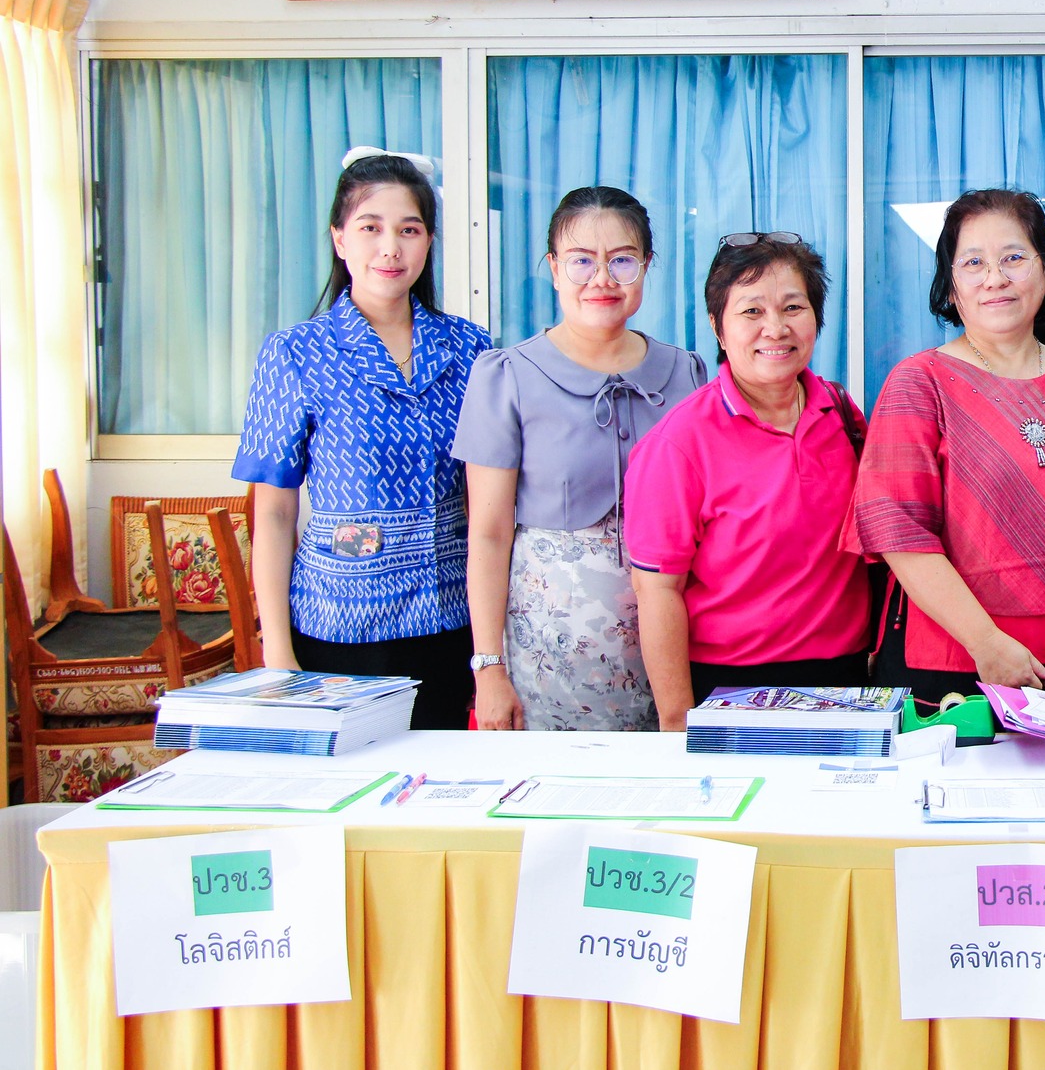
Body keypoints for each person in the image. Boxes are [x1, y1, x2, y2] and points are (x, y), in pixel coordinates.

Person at [845, 189, 1045, 708]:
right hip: (950, 667)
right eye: (973, 263)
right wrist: (986, 643)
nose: (995, 278)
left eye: (1013, 258)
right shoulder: (919, 383)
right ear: (951, 288)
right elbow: (899, 533)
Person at [233, 151, 492, 729]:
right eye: (371, 228)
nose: (390, 248)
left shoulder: (471, 349)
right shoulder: (294, 353)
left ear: (429, 242)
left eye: (409, 230)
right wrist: (277, 650)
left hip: (451, 621)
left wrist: (491, 647)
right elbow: (273, 513)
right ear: (339, 239)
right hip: (338, 626)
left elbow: (489, 503)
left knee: (439, 779)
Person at [454, 187, 707, 731]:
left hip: (676, 645)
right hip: (552, 653)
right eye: (581, 261)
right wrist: (488, 667)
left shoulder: (685, 373)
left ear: (646, 266)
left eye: (622, 260)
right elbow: (489, 535)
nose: (602, 279)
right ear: (553, 268)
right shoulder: (506, 375)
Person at [624, 233, 871, 722]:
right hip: (728, 686)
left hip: (847, 680)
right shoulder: (678, 444)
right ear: (718, 327)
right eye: (751, 311)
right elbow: (657, 592)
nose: (775, 328)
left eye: (793, 307)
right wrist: (677, 721)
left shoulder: (841, 413)